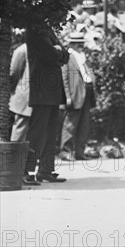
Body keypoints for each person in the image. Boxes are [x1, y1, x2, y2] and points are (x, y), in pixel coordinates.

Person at [24, 23, 70, 185]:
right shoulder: (34, 30)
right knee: (37, 133)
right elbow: (51, 55)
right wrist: (58, 50)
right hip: (42, 89)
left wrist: (58, 51)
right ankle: (26, 171)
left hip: (52, 91)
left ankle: (45, 170)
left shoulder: (46, 30)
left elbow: (65, 55)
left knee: (51, 132)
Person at [59, 32, 95, 161]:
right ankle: (65, 151)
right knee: (70, 124)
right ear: (72, 44)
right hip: (75, 94)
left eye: (82, 43)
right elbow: (64, 78)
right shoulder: (67, 57)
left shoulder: (81, 57)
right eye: (78, 43)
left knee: (84, 124)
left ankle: (79, 151)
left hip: (86, 92)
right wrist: (67, 96)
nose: (81, 45)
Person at [9, 43, 31, 143]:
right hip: (24, 95)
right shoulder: (22, 50)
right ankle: (13, 156)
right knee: (20, 128)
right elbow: (14, 73)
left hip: (36, 97)